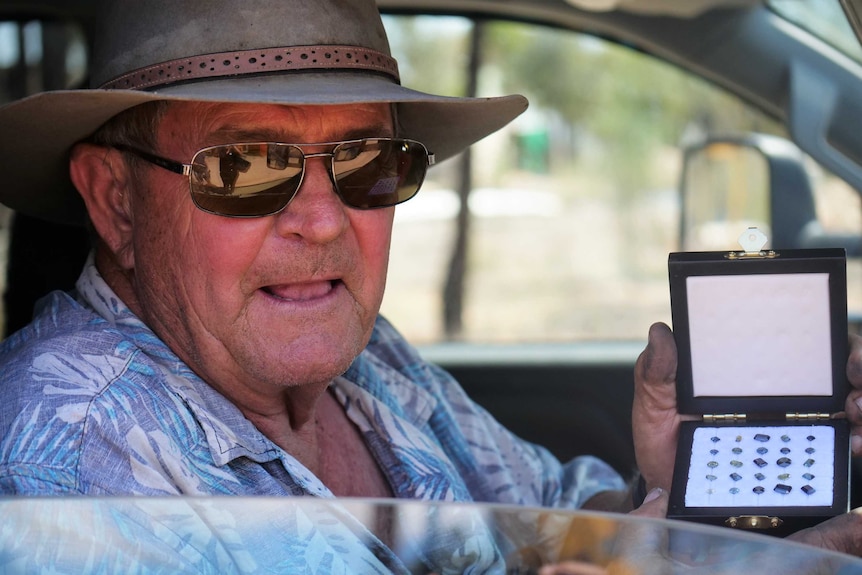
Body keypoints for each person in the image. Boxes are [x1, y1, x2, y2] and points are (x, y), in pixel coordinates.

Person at [0, 0, 859, 570]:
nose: (325, 220)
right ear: (115, 200)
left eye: (368, 162)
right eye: (247, 165)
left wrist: (667, 500)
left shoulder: (364, 356)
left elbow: (553, 511)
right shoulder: (69, 450)